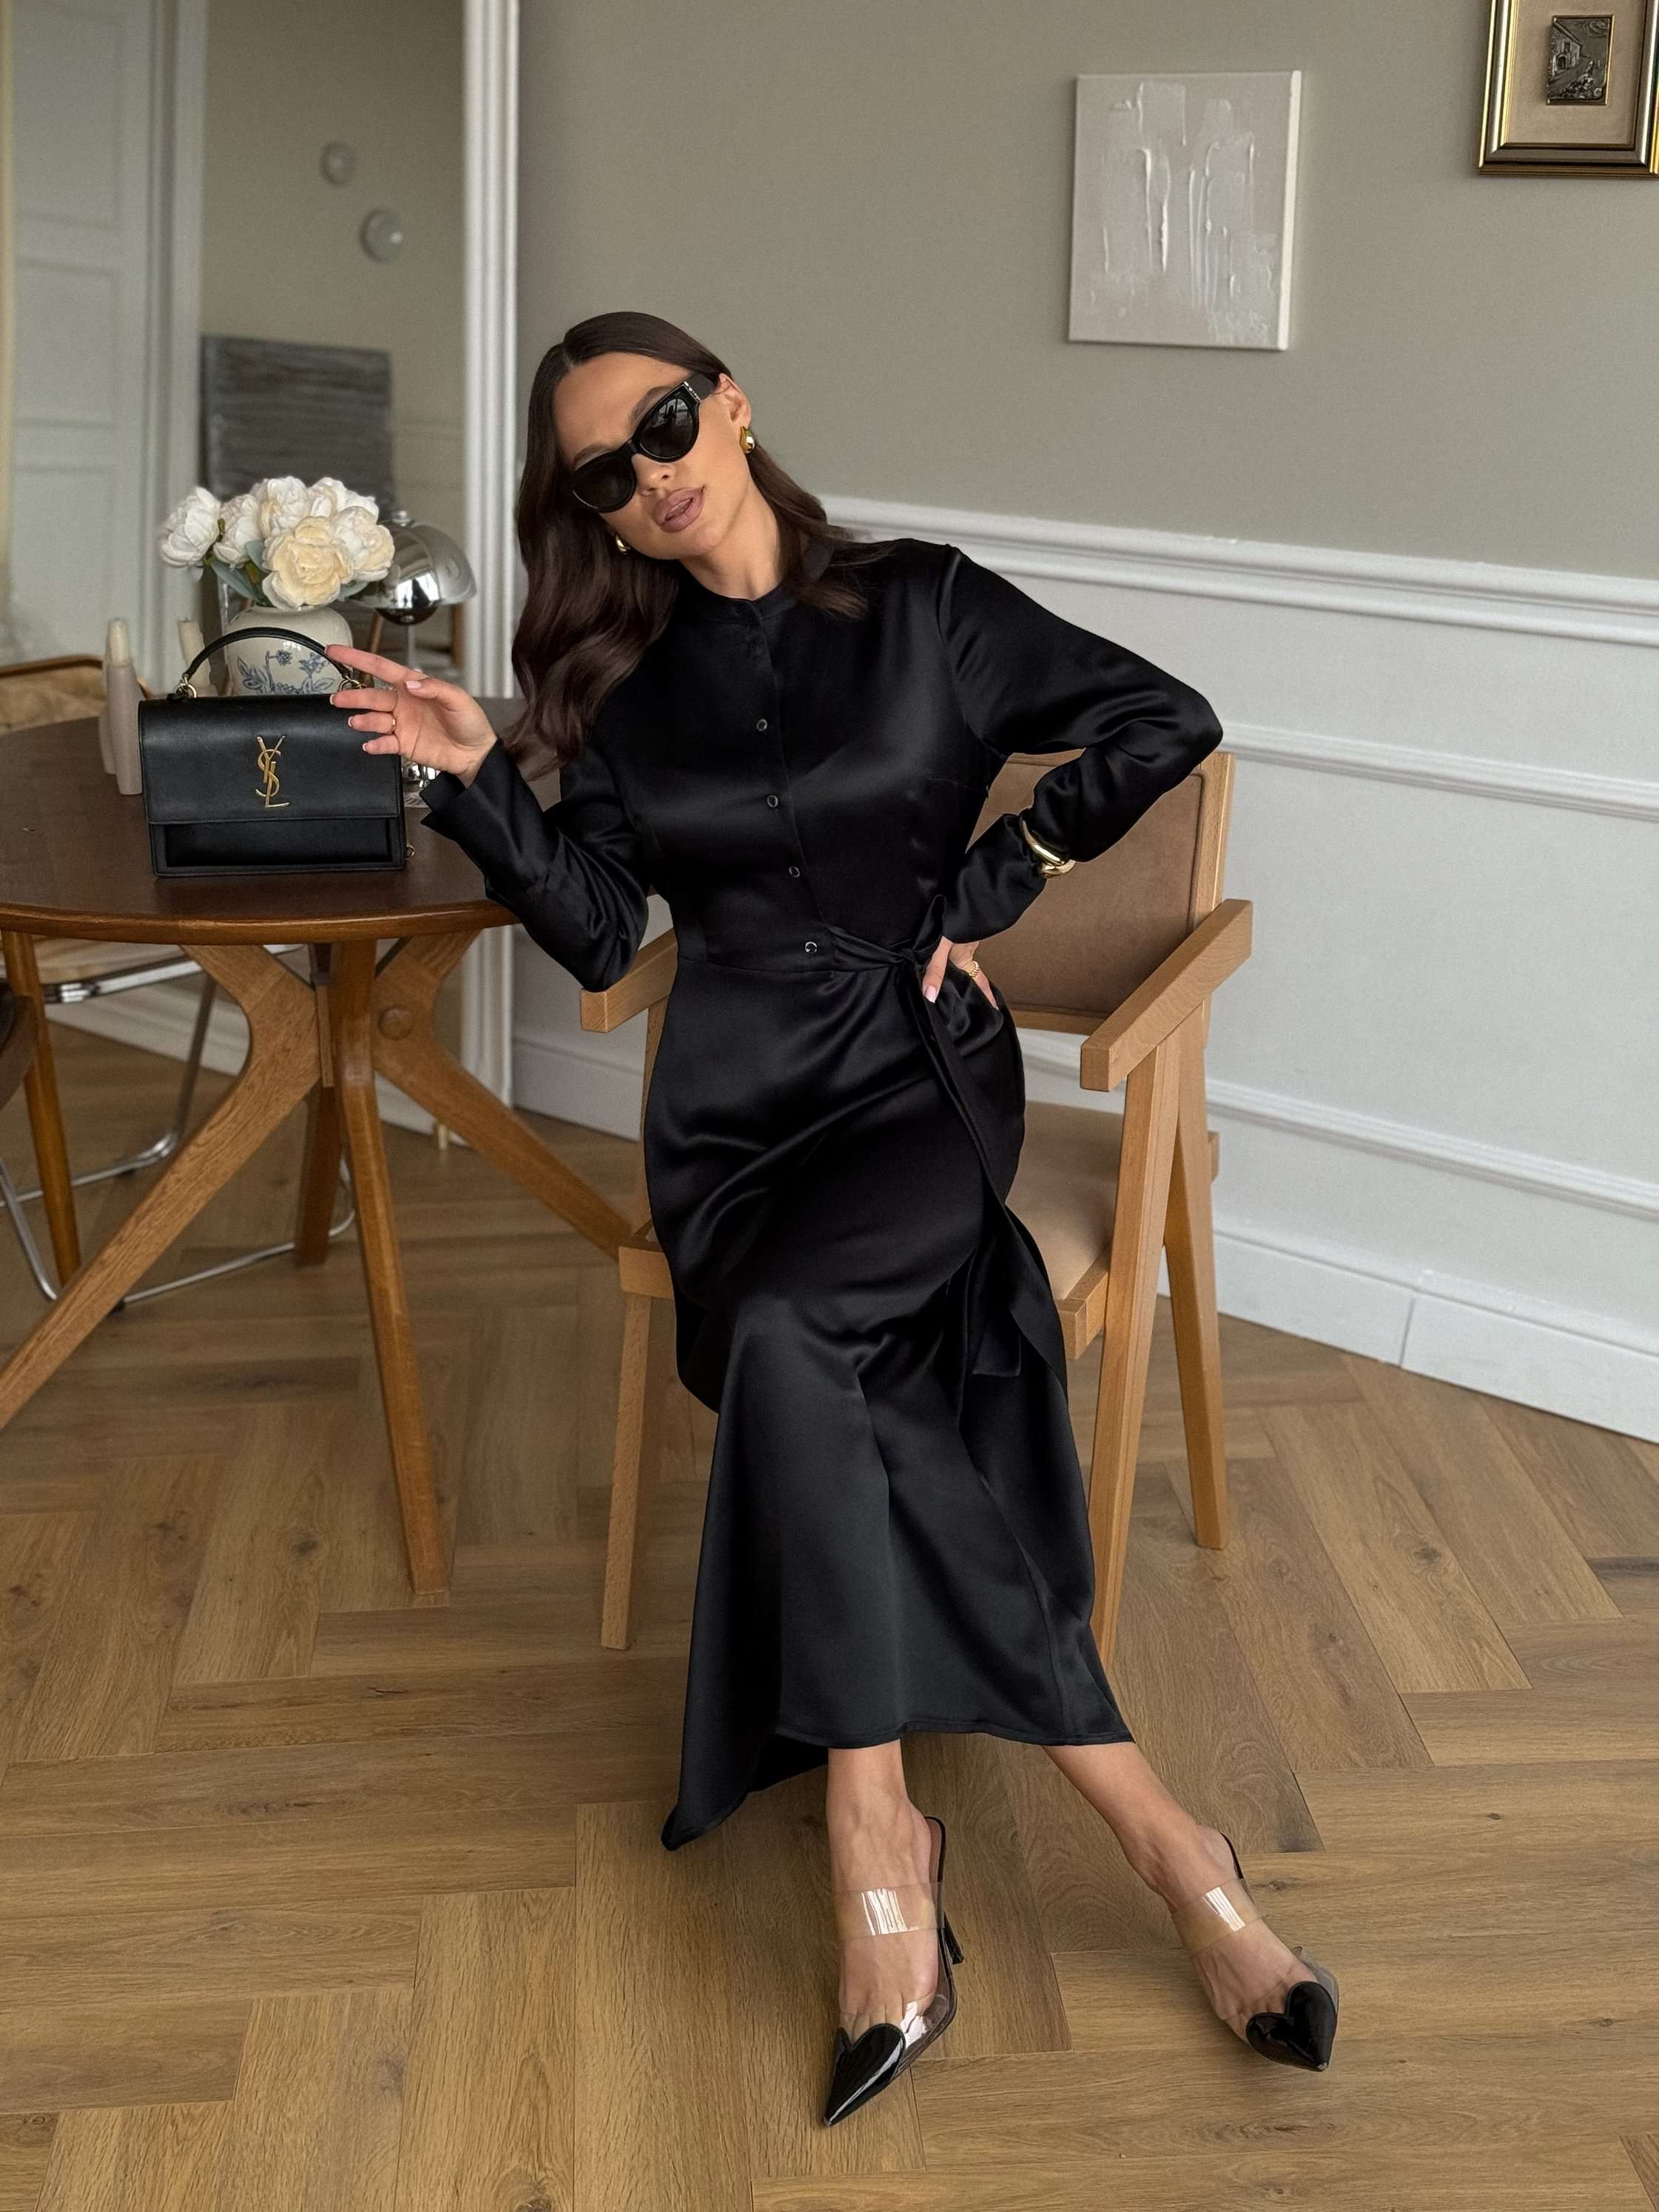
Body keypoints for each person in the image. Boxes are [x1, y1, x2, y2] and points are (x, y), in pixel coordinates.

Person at [326, 309, 1341, 2126]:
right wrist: (473, 776)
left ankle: (880, 1829)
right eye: (601, 472)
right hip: (730, 1123)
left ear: (728, 402)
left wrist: (1004, 871)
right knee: (816, 1348)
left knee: (799, 1336)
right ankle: (1155, 1839)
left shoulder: (926, 607)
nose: (646, 476)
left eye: (662, 424)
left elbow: (1161, 721)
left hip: (913, 1083)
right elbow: (595, 927)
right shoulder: (623, 684)